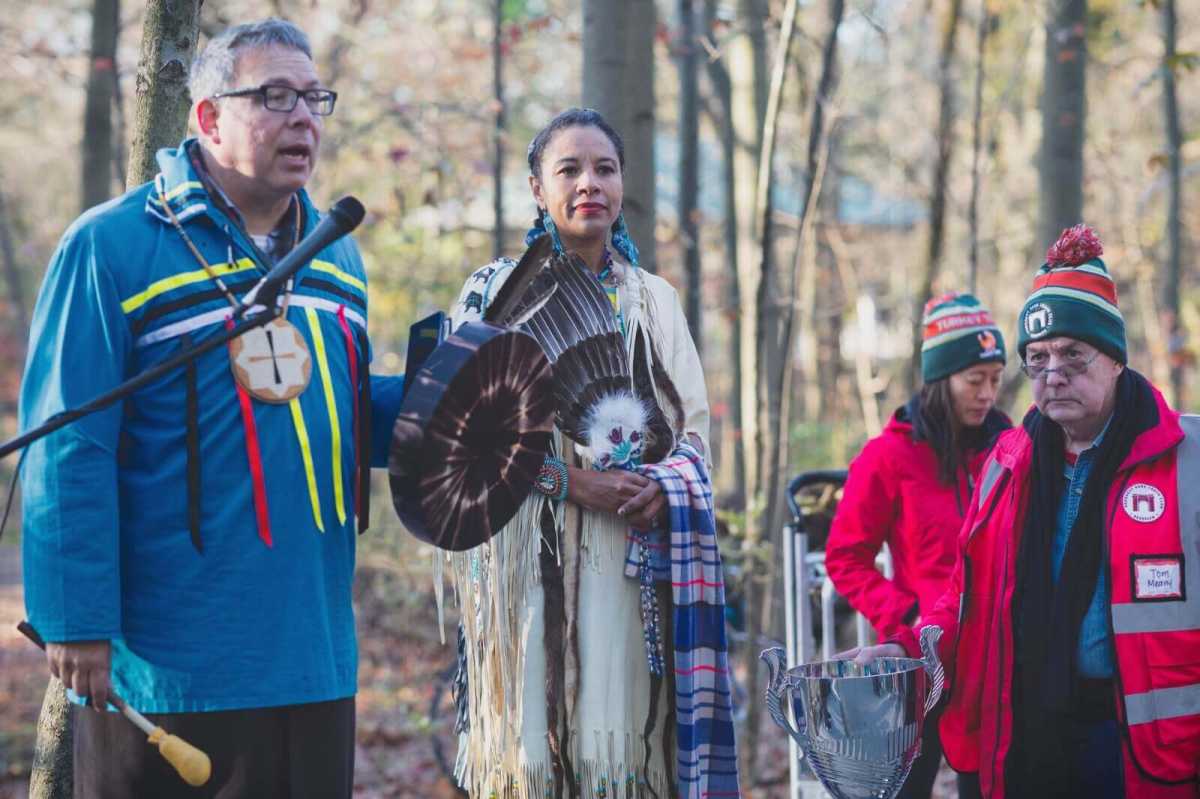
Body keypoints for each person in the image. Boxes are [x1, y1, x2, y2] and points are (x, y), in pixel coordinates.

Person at [19, 18, 402, 798]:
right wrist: (75, 618)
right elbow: (69, 443)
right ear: (207, 117)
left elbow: (343, 416)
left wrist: (459, 401)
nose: (305, 117)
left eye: (314, 98)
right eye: (274, 96)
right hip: (171, 664)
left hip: (313, 650)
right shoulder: (114, 246)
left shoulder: (337, 254)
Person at [847, 225, 1200, 799]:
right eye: (1036, 359)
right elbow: (965, 598)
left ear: (1115, 361)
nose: (1052, 373)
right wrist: (908, 645)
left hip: (1149, 752)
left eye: (1073, 356)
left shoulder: (1187, 458)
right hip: (1030, 739)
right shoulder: (1007, 464)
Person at [446, 108, 738, 798]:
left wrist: (664, 484)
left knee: (623, 740)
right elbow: (461, 438)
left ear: (622, 185)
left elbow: (694, 430)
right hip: (523, 555)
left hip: (627, 563)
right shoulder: (489, 296)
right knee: (529, 748)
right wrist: (570, 483)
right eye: (568, 169)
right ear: (536, 188)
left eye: (604, 168)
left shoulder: (654, 302)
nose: (589, 184)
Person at [825, 292, 1010, 799]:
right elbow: (845, 556)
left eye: (995, 380)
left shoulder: (1009, 451)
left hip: (992, 667)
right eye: (974, 380)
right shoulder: (888, 456)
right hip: (917, 664)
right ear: (941, 379)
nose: (987, 394)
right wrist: (904, 617)